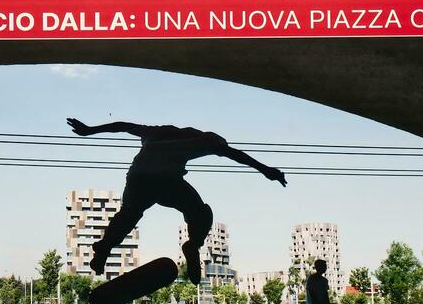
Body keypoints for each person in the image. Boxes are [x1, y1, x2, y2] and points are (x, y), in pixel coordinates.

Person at [66, 118, 286, 281]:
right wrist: (264, 169)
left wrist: (90, 130)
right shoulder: (200, 141)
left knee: (128, 215)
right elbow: (234, 154)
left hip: (140, 178)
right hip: (166, 182)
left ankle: (103, 249)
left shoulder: (154, 131)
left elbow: (122, 125)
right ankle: (193, 244)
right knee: (200, 212)